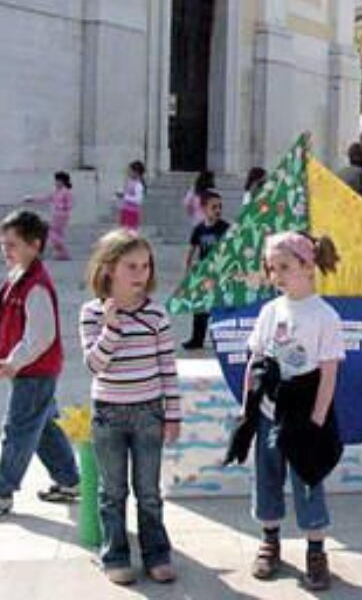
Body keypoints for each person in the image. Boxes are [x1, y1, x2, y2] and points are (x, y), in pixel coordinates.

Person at [80, 229, 181, 585]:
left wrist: (173, 414)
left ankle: (157, 554)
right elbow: (94, 366)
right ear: (109, 269)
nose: (140, 273)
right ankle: (116, 555)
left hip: (149, 413)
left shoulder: (156, 314)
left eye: (145, 265)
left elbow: (168, 366)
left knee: (149, 492)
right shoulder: (92, 313)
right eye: (131, 266)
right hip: (108, 414)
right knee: (112, 492)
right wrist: (111, 328)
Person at [245, 231, 345, 590]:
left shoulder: (325, 315)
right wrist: (249, 408)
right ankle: (269, 539)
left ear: (308, 266)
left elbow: (330, 372)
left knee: (307, 478)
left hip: (305, 413)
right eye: (272, 269)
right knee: (267, 475)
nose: (277, 276)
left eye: (284, 267)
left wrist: (318, 419)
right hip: (271, 411)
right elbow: (256, 359)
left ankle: (316, 550)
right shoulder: (270, 312)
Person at [0, 210, 80, 517]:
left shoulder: (36, 285)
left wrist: (13, 361)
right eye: (4, 244)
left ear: (35, 245)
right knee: (44, 426)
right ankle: (69, 480)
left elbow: (41, 335)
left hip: (34, 370)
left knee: (18, 429)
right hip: (30, 370)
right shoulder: (16, 278)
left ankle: (3, 490)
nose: (6, 251)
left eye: (12, 245)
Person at [182, 191, 231, 350]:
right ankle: (197, 339)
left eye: (220, 207)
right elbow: (191, 250)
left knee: (219, 309)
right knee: (200, 310)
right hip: (203, 276)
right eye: (214, 207)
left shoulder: (225, 228)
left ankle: (221, 339)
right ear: (204, 209)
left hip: (220, 274)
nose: (218, 210)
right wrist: (188, 271)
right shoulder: (199, 229)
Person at [23, 171, 74, 260]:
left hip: (61, 216)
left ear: (63, 181)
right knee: (57, 235)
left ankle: (64, 253)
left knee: (53, 234)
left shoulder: (66, 192)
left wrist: (63, 208)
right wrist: (32, 199)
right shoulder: (56, 192)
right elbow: (45, 198)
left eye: (58, 180)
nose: (56, 182)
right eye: (56, 180)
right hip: (56, 215)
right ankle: (61, 253)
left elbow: (70, 204)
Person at [117, 160, 146, 230]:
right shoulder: (129, 182)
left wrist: (124, 196)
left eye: (130, 171)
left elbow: (138, 200)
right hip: (125, 210)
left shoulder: (139, 185)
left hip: (132, 213)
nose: (128, 173)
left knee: (129, 233)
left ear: (136, 172)